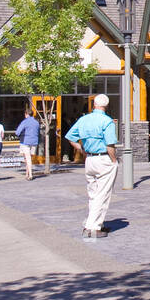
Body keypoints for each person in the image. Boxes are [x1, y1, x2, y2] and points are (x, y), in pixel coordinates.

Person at [65, 95, 118, 239]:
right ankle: (92, 227)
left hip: (89, 159)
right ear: (106, 105)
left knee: (93, 193)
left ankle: (96, 223)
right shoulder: (107, 122)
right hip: (103, 159)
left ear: (94, 104)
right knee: (103, 193)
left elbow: (70, 137)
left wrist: (82, 150)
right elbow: (110, 144)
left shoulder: (83, 119)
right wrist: (114, 160)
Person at [14, 106, 40, 181]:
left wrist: (20, 135)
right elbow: (38, 132)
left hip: (25, 141)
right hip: (34, 141)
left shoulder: (25, 122)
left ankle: (30, 175)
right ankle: (27, 173)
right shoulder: (36, 122)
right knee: (29, 158)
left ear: (26, 114)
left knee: (28, 159)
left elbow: (17, 132)